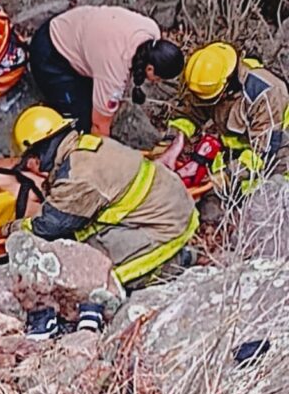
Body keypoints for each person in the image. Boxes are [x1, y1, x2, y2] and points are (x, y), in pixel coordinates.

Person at [10, 105, 199, 336]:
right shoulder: (85, 147)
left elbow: (51, 225)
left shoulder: (78, 173)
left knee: (99, 272)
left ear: (36, 156)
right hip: (167, 205)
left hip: (164, 223)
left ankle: (174, 262)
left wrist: (16, 229)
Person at [29, 5, 184, 136]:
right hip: (52, 55)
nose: (158, 82)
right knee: (81, 125)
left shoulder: (151, 30)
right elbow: (98, 127)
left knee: (95, 103)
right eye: (160, 78)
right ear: (150, 68)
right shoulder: (115, 70)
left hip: (71, 25)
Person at [171, 41, 289, 195]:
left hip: (277, 158)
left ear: (225, 88)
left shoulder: (265, 94)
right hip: (236, 153)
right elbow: (190, 114)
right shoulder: (209, 79)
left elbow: (263, 152)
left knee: (262, 204)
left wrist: (226, 175)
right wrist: (173, 140)